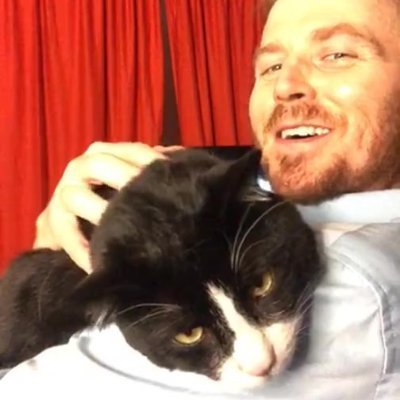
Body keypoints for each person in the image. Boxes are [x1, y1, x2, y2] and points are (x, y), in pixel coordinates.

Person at [3, 0, 400, 397]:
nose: (284, 86)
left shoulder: (353, 280)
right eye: (271, 67)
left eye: (336, 55)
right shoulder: (239, 196)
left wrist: (46, 251)